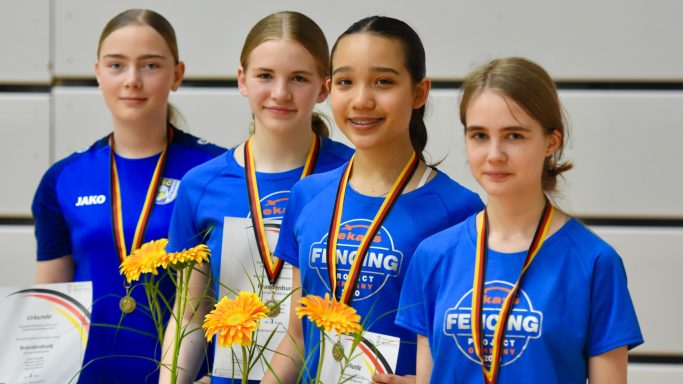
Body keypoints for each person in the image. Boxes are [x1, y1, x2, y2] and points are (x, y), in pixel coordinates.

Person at [263, 16, 484, 384]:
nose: (362, 100)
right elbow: (296, 336)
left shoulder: (459, 210)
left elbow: (470, 354)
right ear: (331, 88)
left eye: (383, 82)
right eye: (347, 82)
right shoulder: (307, 195)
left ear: (419, 92)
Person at [396, 57, 643, 384]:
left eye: (514, 136)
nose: (494, 154)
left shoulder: (594, 262)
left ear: (551, 142)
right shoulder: (432, 256)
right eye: (480, 136)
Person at [31, 8, 226, 383]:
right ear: (98, 72)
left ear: (177, 75)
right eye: (116, 65)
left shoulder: (217, 172)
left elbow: (242, 292)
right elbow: (50, 310)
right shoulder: (64, 179)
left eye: (150, 66)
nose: (132, 80)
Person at [158, 11, 354, 383]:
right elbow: (188, 317)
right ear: (242, 80)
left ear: (324, 88)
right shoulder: (202, 184)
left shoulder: (353, 176)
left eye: (298, 78)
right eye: (265, 76)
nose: (280, 93)